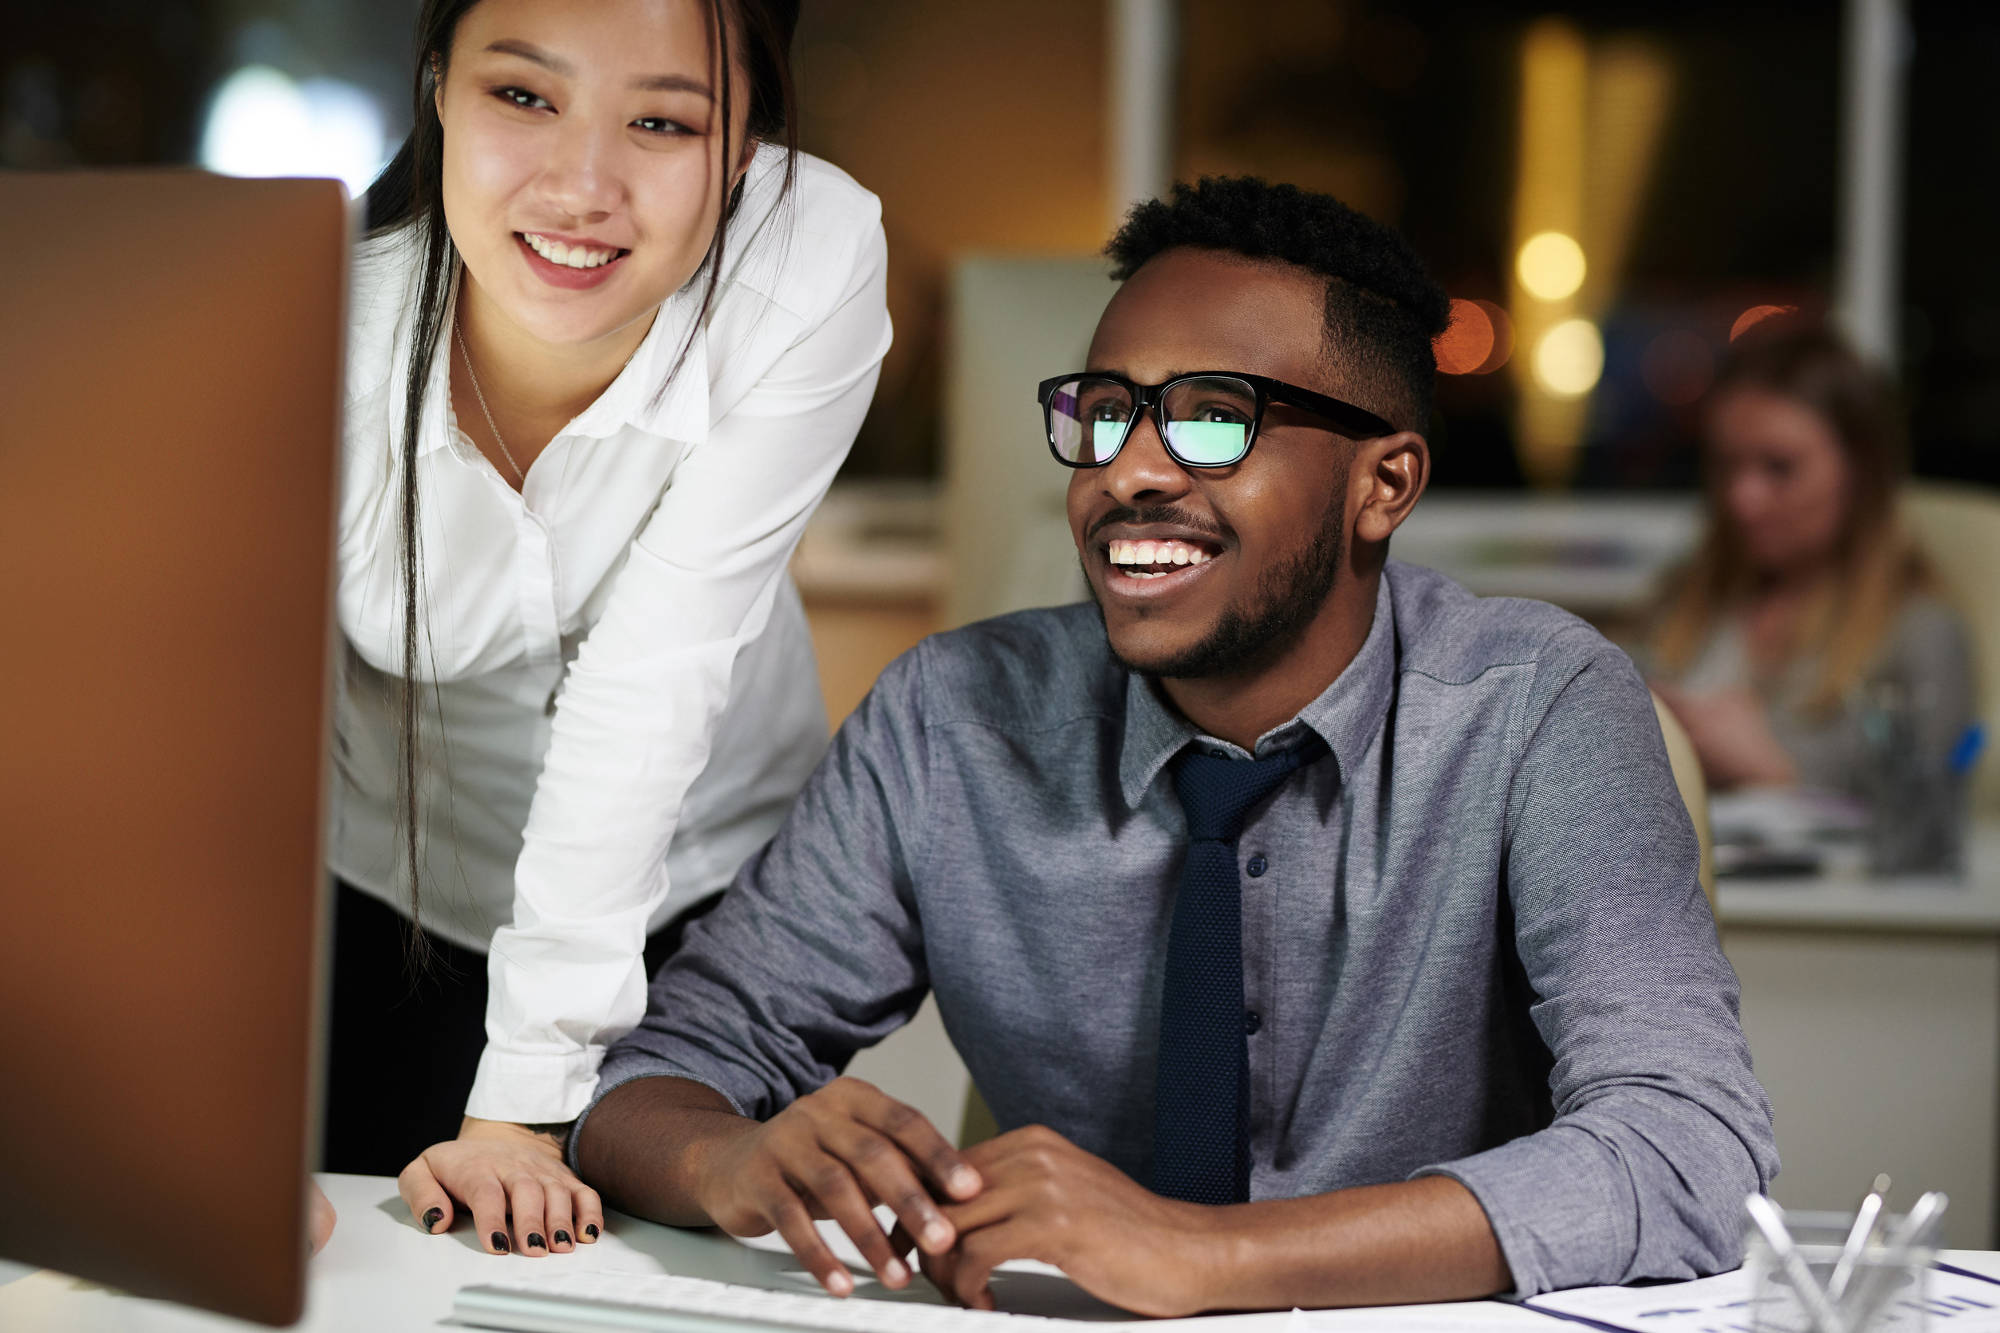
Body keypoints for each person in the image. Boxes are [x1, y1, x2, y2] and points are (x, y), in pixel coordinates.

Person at [564, 178, 1778, 1314]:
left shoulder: (1536, 707)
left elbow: (1686, 1149)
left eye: (1211, 419)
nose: (1127, 471)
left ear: (1384, 482)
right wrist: (729, 1156)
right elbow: (649, 1078)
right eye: (1103, 413)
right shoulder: (949, 719)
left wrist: (1199, 1254)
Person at [321, 0, 891, 1258]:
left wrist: (524, 1101)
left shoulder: (803, 256)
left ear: (742, 149)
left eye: (661, 120)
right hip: (395, 891)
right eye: (523, 97)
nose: (582, 186)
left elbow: (653, 674)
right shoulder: (313, 326)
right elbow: (205, 728)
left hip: (702, 891)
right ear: (438, 89)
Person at [1648, 323, 1974, 796]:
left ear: (1860, 471)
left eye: (1780, 468)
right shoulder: (1686, 597)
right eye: (1725, 465)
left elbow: (1926, 820)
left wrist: (1777, 767)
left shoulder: (1920, 633)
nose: (1743, 499)